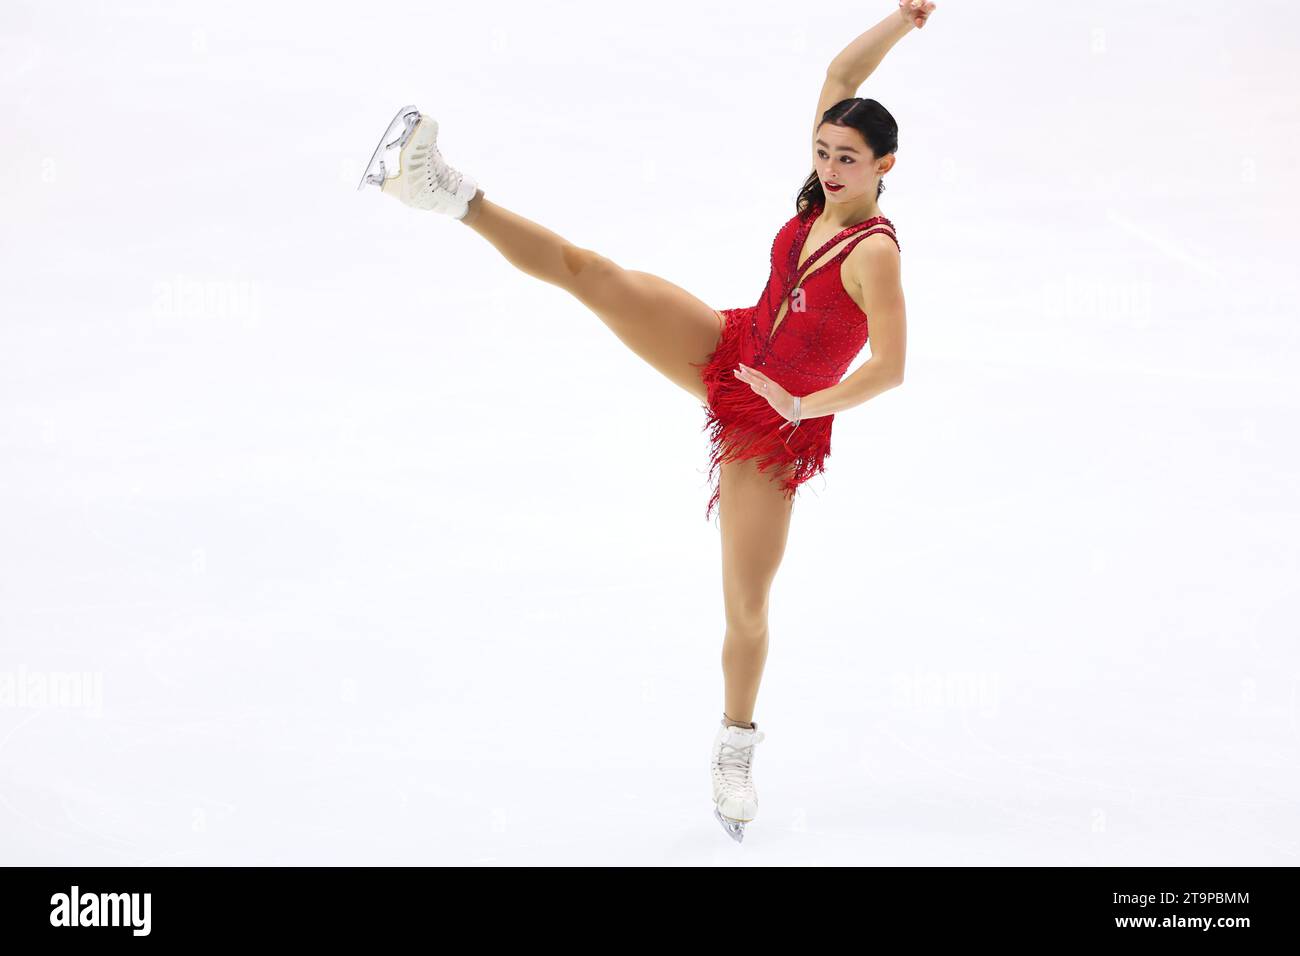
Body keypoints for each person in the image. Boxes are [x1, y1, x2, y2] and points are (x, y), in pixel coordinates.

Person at [357, 0, 935, 841]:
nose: (831, 167)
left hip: (774, 429)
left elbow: (891, 368)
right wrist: (903, 20)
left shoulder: (876, 252)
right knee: (596, 273)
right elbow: (843, 78)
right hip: (731, 345)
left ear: (887, 163)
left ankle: (735, 746)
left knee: (745, 604)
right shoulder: (822, 185)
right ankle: (443, 191)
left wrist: (801, 403)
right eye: (822, 151)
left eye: (849, 157)